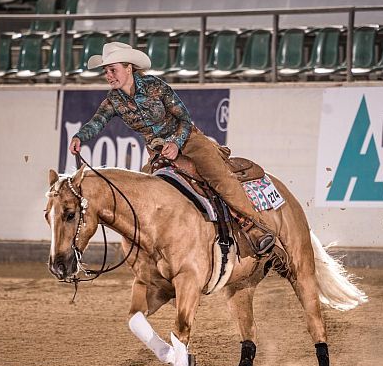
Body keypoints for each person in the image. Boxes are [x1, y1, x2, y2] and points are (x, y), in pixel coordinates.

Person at [68, 42, 275, 255]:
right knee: (143, 193)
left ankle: (255, 227)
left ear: (129, 68)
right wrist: (79, 137)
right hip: (158, 151)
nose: (109, 76)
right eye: (106, 71)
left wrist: (176, 143)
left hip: (189, 141)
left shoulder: (155, 86)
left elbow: (184, 119)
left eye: (113, 70)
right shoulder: (113, 100)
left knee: (219, 177)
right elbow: (98, 122)